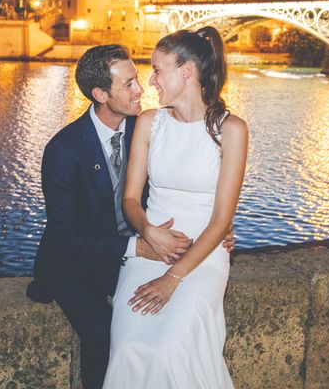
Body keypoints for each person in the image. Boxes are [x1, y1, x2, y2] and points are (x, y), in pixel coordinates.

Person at [27, 45, 235, 389]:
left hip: (137, 254)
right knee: (103, 334)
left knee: (169, 327)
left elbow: (184, 183)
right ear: (101, 94)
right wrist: (136, 248)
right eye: (128, 85)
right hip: (75, 262)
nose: (141, 89)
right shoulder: (64, 150)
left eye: (138, 78)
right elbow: (66, 235)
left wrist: (223, 226)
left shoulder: (149, 127)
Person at [103, 27, 248, 388]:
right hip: (149, 253)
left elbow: (221, 220)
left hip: (204, 256)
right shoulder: (151, 122)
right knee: (128, 347)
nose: (150, 80)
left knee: (170, 349)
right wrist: (149, 232)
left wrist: (173, 277)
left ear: (187, 72)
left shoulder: (231, 130)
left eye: (157, 69)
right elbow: (131, 200)